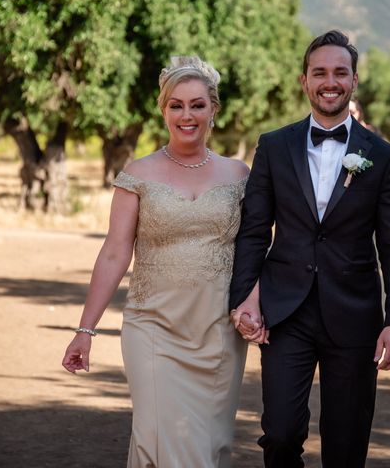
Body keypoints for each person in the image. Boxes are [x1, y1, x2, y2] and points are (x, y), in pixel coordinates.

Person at [229, 30, 390, 467]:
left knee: (346, 445)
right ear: (304, 81)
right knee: (279, 434)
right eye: (319, 73)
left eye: (339, 73)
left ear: (353, 81)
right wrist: (243, 300)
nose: (329, 81)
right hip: (285, 311)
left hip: (355, 316)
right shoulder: (273, 146)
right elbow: (255, 230)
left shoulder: (382, 156)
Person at [62, 56, 250, 468]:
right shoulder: (138, 173)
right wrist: (85, 330)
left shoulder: (239, 174)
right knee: (167, 439)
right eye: (176, 105)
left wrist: (253, 303)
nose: (187, 115)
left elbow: (256, 248)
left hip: (218, 334)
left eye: (197, 105)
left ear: (214, 109)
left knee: (209, 446)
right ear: (163, 110)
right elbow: (114, 252)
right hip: (154, 329)